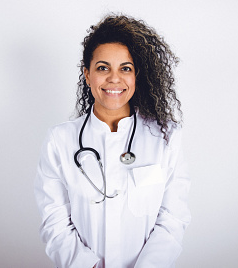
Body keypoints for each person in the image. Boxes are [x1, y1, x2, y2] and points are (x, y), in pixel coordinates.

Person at [34, 14, 191, 268]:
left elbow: (172, 219)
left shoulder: (166, 137)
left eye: (125, 68)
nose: (114, 78)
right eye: (103, 67)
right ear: (87, 75)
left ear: (137, 76)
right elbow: (55, 223)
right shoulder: (59, 141)